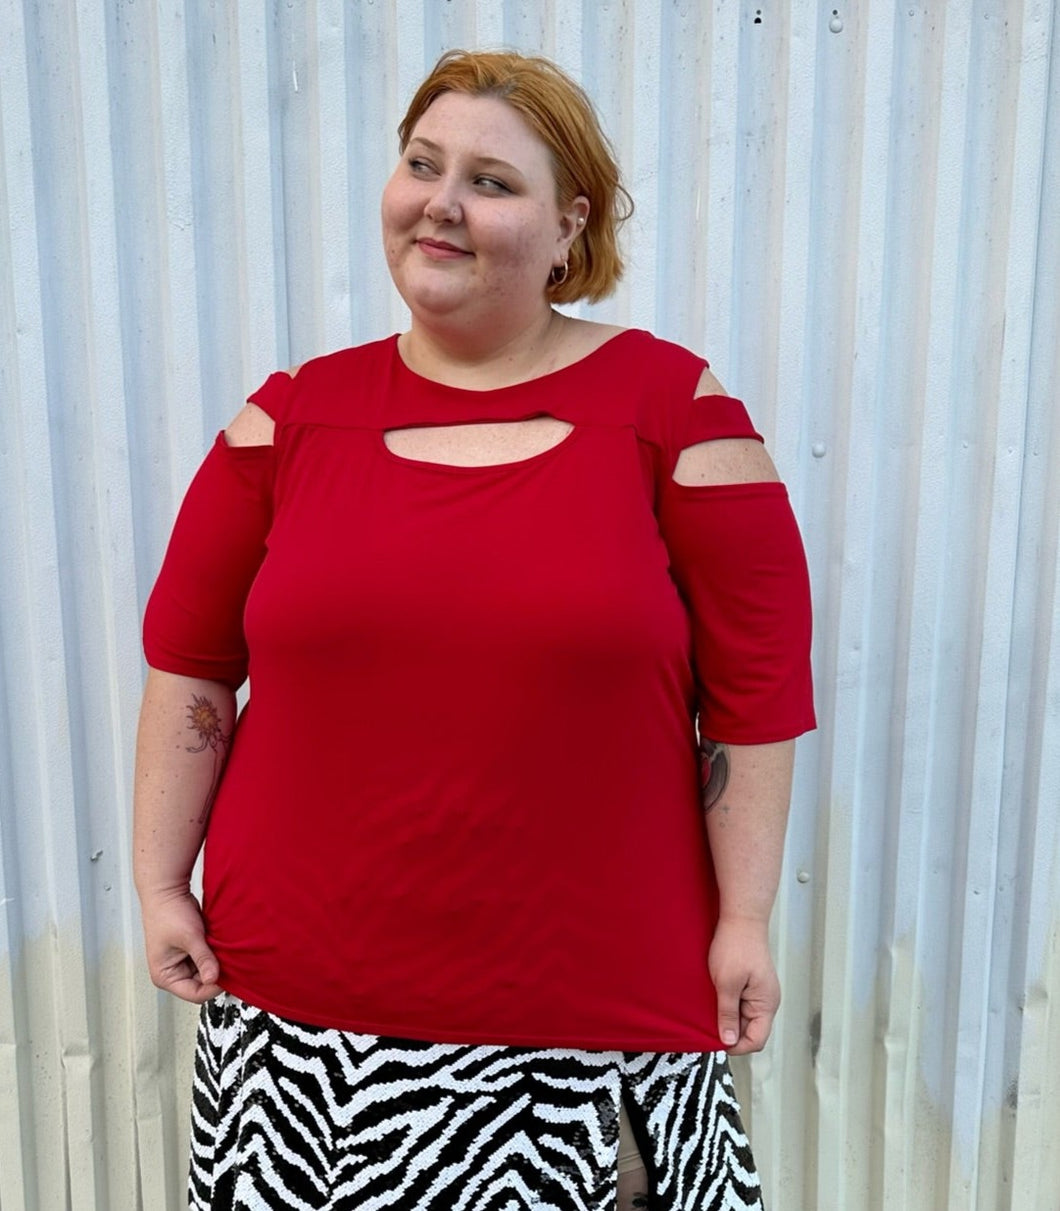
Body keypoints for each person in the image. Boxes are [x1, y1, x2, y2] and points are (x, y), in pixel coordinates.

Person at [133, 49, 815, 1211]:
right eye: (420, 165)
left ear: (569, 226)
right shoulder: (287, 419)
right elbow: (191, 665)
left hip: (590, 1026)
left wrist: (744, 917)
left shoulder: (678, 414)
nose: (441, 201)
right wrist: (158, 882)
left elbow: (753, 696)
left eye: (492, 180)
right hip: (299, 1035)